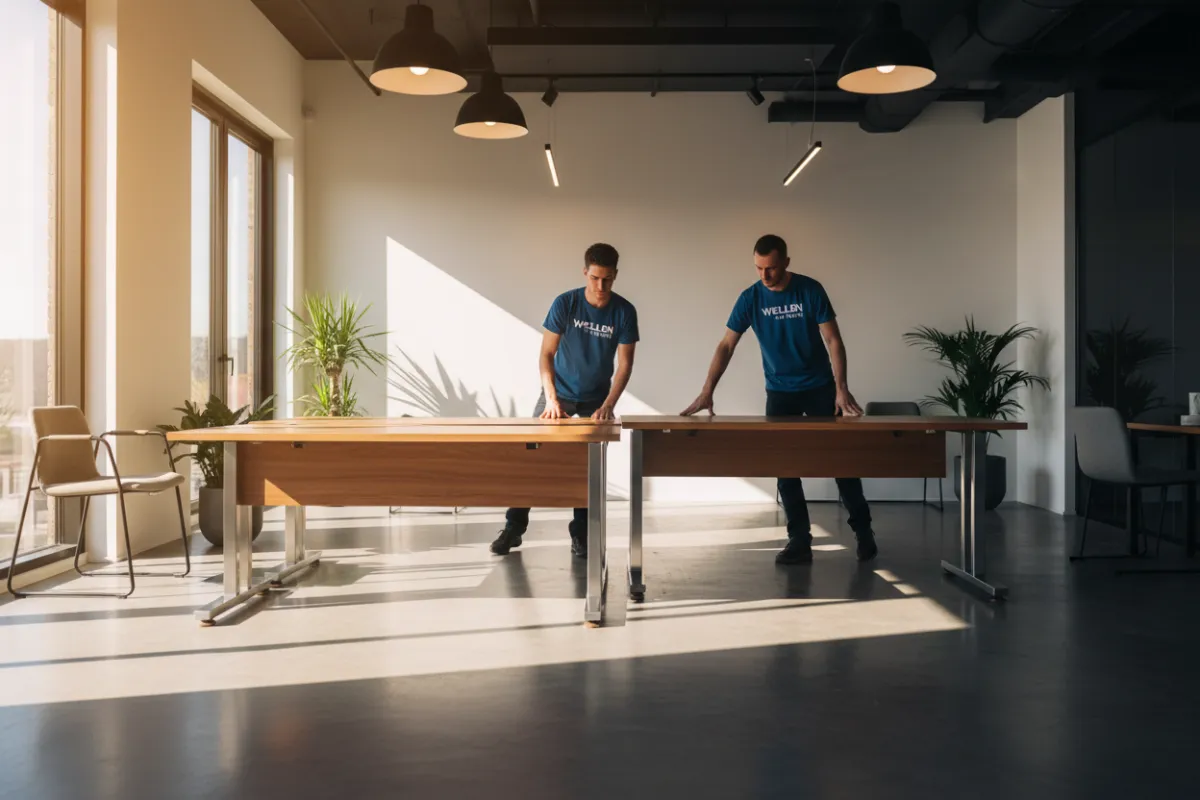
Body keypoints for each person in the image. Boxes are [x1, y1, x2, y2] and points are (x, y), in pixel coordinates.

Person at [680, 234, 877, 564]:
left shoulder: (810, 290)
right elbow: (726, 344)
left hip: (819, 388)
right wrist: (707, 390)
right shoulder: (750, 298)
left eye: (771, 268)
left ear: (786, 262)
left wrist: (841, 388)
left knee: (841, 462)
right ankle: (799, 540)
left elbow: (833, 340)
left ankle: (864, 532)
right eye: (759, 268)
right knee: (785, 468)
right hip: (780, 392)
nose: (765, 275)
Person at [491, 243, 639, 558]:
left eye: (607, 279)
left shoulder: (624, 311)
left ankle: (581, 536)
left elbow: (625, 365)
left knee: (586, 467)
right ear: (585, 272)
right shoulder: (566, 303)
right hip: (557, 394)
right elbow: (546, 354)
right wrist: (551, 399)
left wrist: (608, 404)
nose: (601, 286)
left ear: (615, 275)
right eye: (595, 278)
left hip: (596, 400)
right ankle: (513, 529)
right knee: (529, 458)